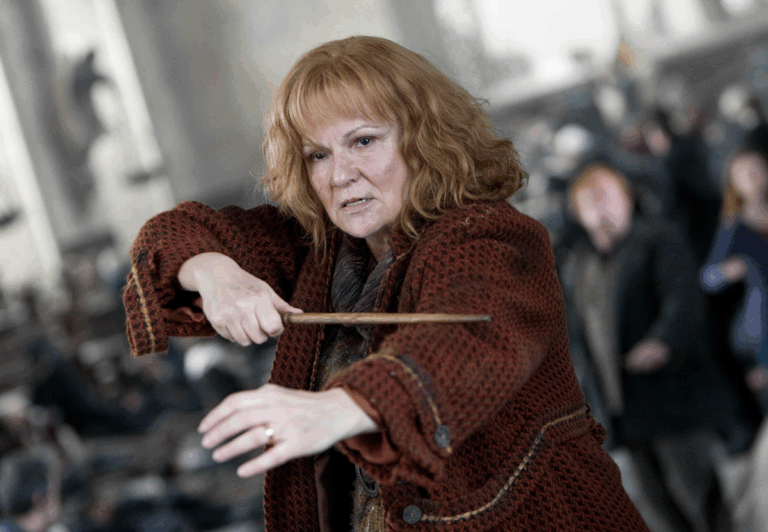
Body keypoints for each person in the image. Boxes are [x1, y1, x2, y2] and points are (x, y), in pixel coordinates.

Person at [122, 36, 649, 531]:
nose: (339, 175)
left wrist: (342, 407)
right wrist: (215, 273)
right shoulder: (318, 249)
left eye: (363, 141)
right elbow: (171, 235)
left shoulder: (490, 235)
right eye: (318, 155)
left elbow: (465, 340)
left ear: (425, 140)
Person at [559, 158, 733, 532]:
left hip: (672, 397)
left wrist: (662, 340)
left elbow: (684, 298)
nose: (600, 208)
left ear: (627, 199)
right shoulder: (579, 266)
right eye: (590, 201)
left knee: (700, 496)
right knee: (656, 509)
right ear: (577, 213)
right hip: (620, 408)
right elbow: (578, 336)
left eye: (607, 196)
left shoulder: (657, 239)